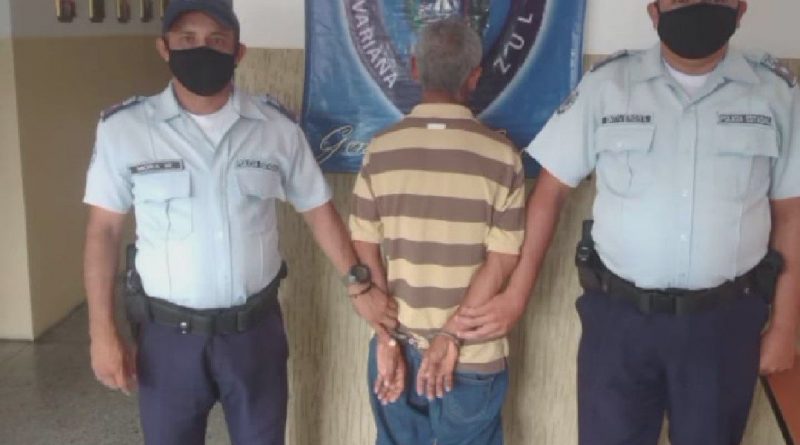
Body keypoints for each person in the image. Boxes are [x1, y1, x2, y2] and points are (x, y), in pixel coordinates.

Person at [457, 1, 800, 444]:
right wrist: (515, 296)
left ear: (740, 8)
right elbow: (549, 195)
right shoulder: (608, 85)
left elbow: (791, 214)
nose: (695, 6)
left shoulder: (775, 92)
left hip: (723, 325)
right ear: (654, 12)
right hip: (619, 322)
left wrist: (785, 327)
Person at [82, 1, 396, 443]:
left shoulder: (276, 128)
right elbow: (104, 231)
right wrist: (102, 330)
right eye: (187, 39)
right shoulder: (125, 130)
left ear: (238, 52)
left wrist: (358, 284)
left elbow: (318, 209)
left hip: (254, 335)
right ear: (164, 48)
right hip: (168, 339)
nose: (202, 49)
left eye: (217, 40)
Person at [349, 18, 525, 445]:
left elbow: (364, 246)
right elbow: (502, 262)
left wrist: (387, 336)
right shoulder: (503, 157)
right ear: (474, 76)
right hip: (473, 353)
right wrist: (450, 335)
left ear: (414, 68)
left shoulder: (381, 150)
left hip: (396, 348)